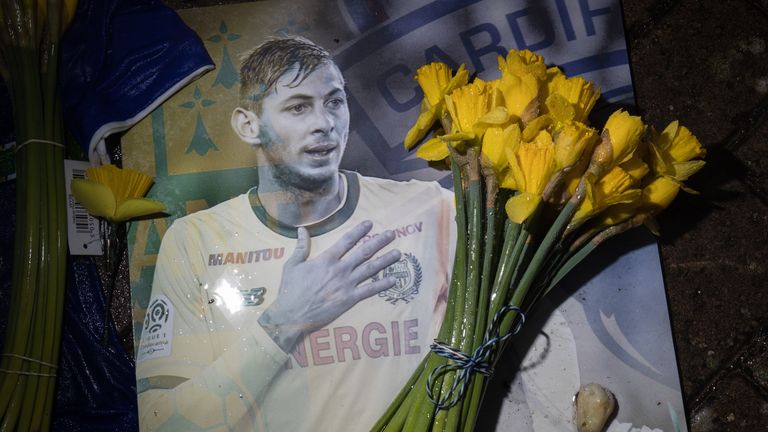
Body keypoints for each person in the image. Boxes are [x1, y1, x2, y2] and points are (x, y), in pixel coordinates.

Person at [135, 36, 456, 431]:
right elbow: (161, 424)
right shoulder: (196, 242)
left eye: (334, 102)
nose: (325, 123)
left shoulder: (432, 209)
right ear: (249, 125)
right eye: (298, 107)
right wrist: (283, 323)